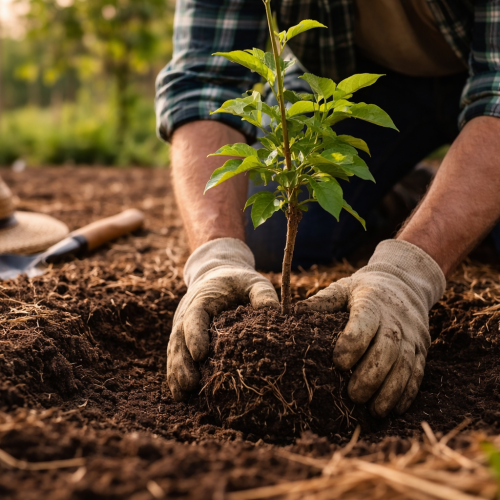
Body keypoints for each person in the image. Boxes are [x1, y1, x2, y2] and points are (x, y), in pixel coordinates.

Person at [155, 0, 500, 417]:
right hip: (354, 78)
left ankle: (448, 196)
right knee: (264, 228)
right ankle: (408, 194)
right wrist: (215, 257)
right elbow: (202, 81)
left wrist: (407, 274)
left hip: (485, 76)